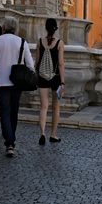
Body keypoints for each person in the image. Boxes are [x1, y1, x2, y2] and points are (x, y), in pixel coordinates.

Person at [0, 16, 34, 158]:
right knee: (14, 111)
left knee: (4, 111)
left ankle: (9, 141)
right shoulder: (22, 42)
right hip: (17, 82)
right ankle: (11, 141)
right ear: (16, 28)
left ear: (4, 27)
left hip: (2, 82)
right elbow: (30, 64)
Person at [35, 17, 65, 145]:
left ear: (46, 28)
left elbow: (36, 61)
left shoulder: (40, 41)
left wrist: (35, 73)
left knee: (43, 106)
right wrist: (62, 82)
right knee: (56, 107)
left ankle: (42, 133)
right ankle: (53, 135)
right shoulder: (59, 43)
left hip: (42, 76)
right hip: (55, 77)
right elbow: (61, 63)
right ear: (55, 29)